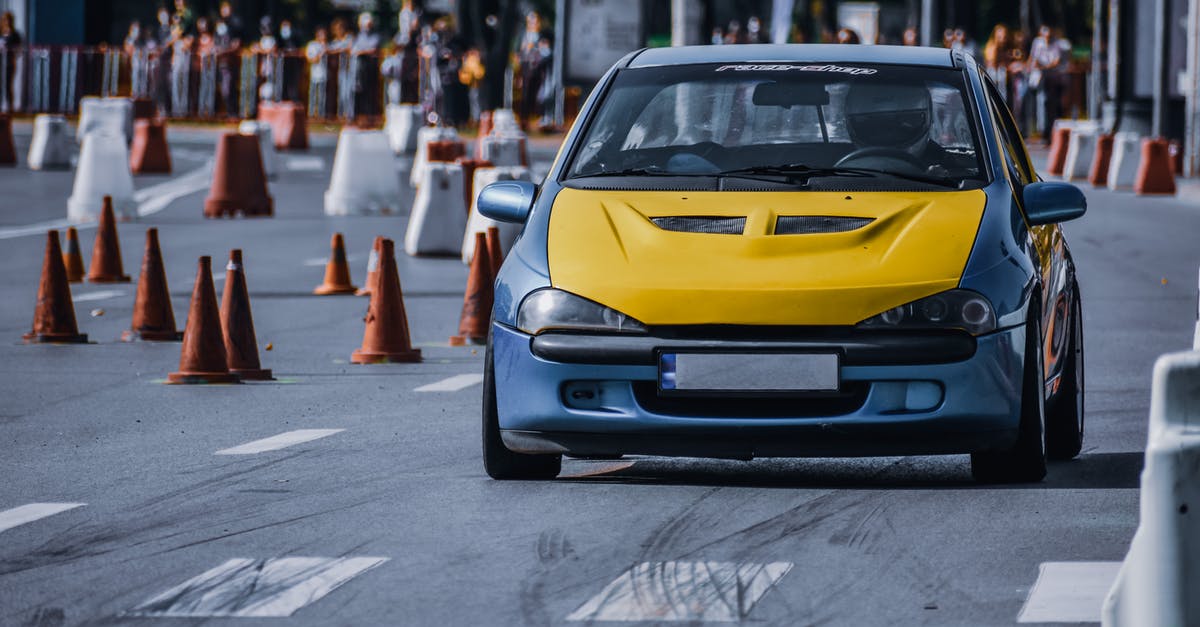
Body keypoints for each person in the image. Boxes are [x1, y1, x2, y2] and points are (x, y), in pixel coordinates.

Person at [843, 82, 975, 176]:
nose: (889, 134)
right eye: (875, 126)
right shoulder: (831, 169)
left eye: (902, 124)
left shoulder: (945, 167)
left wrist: (940, 183)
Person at [1029, 25, 1068, 144]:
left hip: (1054, 81)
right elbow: (1033, 59)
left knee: (1053, 106)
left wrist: (1043, 66)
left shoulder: (1058, 44)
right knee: (1042, 103)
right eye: (1045, 36)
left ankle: (1053, 133)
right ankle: (1043, 132)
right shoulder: (1038, 43)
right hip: (1041, 80)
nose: (1047, 39)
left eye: (1049, 36)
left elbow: (1055, 62)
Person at [351, 12, 382, 122]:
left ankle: (370, 116)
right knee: (358, 92)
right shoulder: (358, 36)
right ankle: (358, 116)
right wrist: (363, 51)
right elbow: (354, 50)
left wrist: (362, 51)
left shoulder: (375, 36)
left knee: (370, 93)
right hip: (360, 69)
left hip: (371, 68)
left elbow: (373, 48)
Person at [306, 26, 329, 117]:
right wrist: (321, 53)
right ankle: (311, 112)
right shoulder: (312, 45)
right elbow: (312, 59)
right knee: (313, 95)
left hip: (324, 74)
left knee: (322, 95)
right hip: (315, 74)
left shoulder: (326, 46)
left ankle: (321, 113)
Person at [0, 11, 20, 112]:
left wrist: (10, 50)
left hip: (9, 63)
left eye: (8, 19)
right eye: (4, 19)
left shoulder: (15, 35)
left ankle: (9, 107)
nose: (6, 22)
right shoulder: (1, 33)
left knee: (8, 85)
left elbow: (19, 50)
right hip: (1, 63)